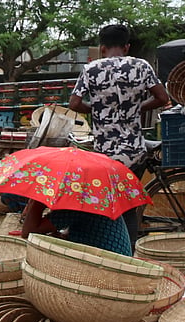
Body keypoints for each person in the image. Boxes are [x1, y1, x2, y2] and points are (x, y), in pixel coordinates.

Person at [69, 24, 170, 246]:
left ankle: (114, 251)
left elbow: (74, 103)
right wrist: (137, 108)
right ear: (126, 46)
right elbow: (163, 98)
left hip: (106, 154)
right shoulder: (141, 66)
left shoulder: (91, 69)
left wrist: (97, 111)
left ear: (102, 47)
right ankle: (129, 255)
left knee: (110, 204)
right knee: (130, 207)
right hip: (135, 152)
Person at [21, 198, 133, 256]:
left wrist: (37, 201)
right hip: (113, 257)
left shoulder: (78, 202)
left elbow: (29, 231)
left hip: (109, 267)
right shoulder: (93, 196)